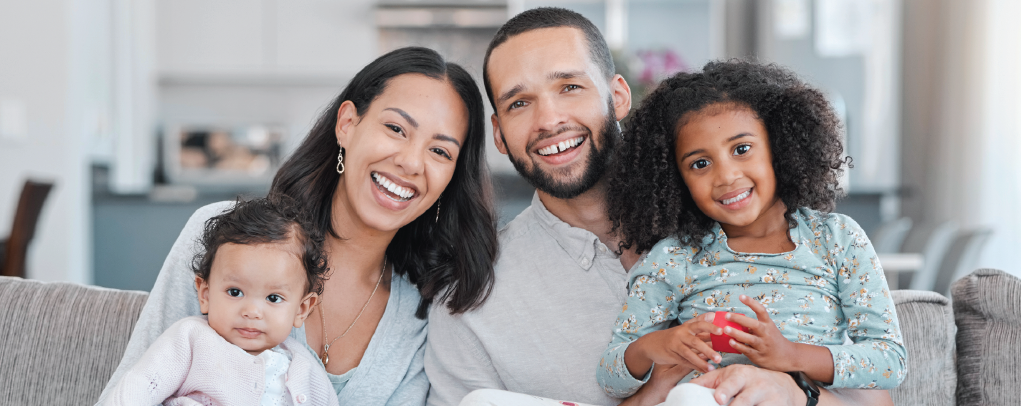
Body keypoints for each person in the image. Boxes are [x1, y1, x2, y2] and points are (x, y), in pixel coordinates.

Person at [425, 7, 896, 406]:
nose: (550, 119)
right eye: (519, 102)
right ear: (500, 134)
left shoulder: (743, 226)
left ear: (618, 95)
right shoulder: (471, 301)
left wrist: (796, 393)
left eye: (570, 86)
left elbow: (883, 389)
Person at [97, 46, 499, 406]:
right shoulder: (227, 239)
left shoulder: (426, 308)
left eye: (440, 151)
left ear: (452, 175)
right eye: (395, 129)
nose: (411, 162)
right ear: (347, 124)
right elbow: (135, 386)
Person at [597, 61, 907, 403]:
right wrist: (656, 346)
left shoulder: (838, 240)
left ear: (780, 147)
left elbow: (889, 361)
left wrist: (791, 356)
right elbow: (611, 377)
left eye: (742, 149)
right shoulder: (675, 256)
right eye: (700, 163)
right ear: (674, 179)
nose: (726, 176)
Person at [103, 197, 339, 406]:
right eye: (235, 292)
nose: (252, 311)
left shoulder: (307, 370)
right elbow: (139, 386)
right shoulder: (190, 340)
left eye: (273, 298)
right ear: (205, 294)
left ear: (301, 309)